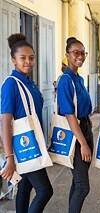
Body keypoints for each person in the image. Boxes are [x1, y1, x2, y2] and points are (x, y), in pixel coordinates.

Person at [0, 33, 53, 212]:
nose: (27, 62)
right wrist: (10, 158)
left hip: (33, 143)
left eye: (31, 58)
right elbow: (5, 123)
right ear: (13, 60)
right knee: (45, 190)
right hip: (24, 147)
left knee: (24, 188)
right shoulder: (11, 84)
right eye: (22, 58)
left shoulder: (30, 83)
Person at [57, 37, 93, 213]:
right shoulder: (66, 80)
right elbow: (70, 115)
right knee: (82, 186)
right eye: (75, 53)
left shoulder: (78, 78)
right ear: (67, 55)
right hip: (76, 134)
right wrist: (83, 144)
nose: (80, 56)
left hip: (85, 127)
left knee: (77, 183)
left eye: (82, 53)